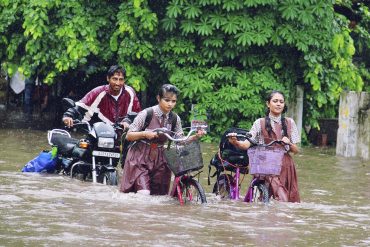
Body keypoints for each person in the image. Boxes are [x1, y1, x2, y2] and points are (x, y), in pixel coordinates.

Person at [120, 84, 206, 196]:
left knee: (159, 196)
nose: (170, 104)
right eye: (167, 100)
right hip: (140, 157)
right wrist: (145, 134)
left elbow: (180, 140)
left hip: (161, 159)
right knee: (144, 193)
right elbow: (129, 135)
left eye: (173, 101)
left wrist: (196, 136)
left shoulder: (175, 118)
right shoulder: (146, 114)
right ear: (158, 98)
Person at [228, 90, 301, 203]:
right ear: (268, 104)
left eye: (281, 102)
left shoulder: (290, 122)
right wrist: (235, 142)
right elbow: (247, 144)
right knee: (276, 198)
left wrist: (289, 143)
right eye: (275, 101)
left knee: (288, 202)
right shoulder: (259, 123)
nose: (278, 104)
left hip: (286, 166)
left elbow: (296, 150)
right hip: (266, 165)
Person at [62, 65, 141, 128]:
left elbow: (137, 113)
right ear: (108, 78)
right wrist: (68, 116)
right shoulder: (98, 92)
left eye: (121, 79)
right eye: (115, 79)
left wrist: (127, 121)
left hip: (124, 134)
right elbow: (80, 107)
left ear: (124, 80)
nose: (118, 83)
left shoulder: (130, 92)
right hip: (100, 132)